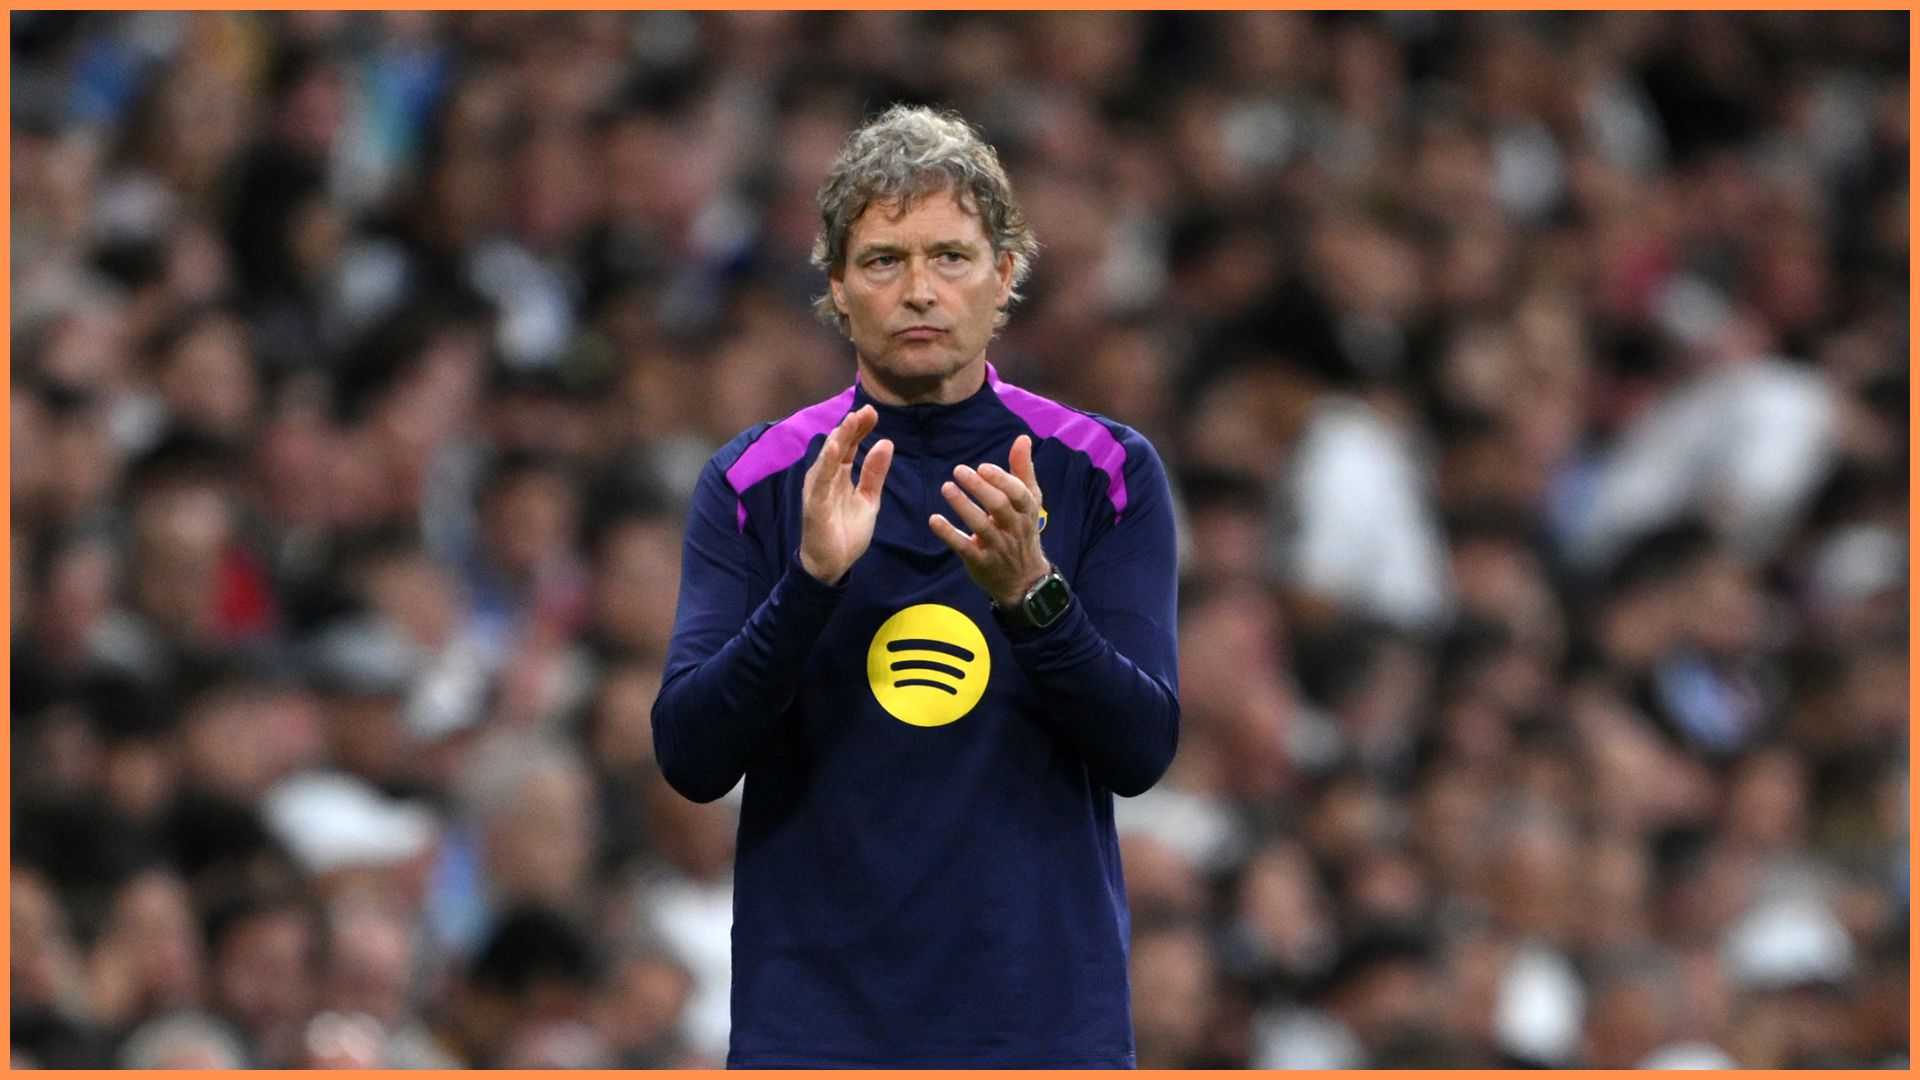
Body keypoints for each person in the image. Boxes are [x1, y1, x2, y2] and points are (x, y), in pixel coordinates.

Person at [652, 104, 1180, 1067]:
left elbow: (1142, 747)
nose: (920, 291)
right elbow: (690, 757)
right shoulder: (758, 480)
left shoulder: (1103, 471)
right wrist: (810, 584)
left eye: (951, 257)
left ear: (1005, 275)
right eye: (884, 261)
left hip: (1038, 1026)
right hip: (819, 1030)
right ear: (837, 287)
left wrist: (1033, 596)